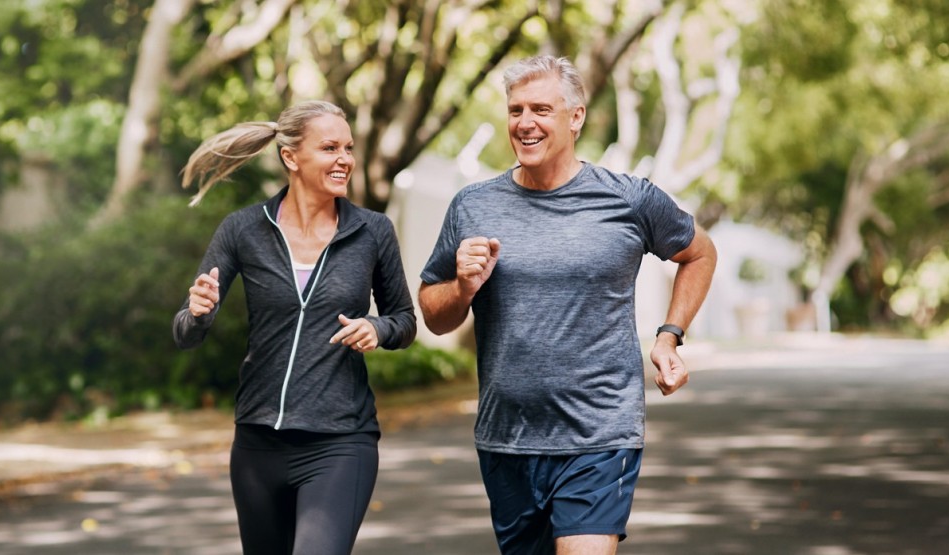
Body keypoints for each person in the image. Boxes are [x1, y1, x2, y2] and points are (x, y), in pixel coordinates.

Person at [417, 55, 718, 554]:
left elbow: (700, 252)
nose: (525, 123)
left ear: (575, 117)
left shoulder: (628, 199)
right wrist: (464, 287)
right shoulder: (473, 205)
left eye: (541, 109)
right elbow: (434, 311)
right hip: (507, 438)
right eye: (516, 110)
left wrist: (670, 336)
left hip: (600, 433)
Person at [172, 100, 418, 554]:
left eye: (347, 148)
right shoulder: (243, 230)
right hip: (257, 444)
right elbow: (186, 332)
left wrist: (377, 329)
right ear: (291, 158)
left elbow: (404, 320)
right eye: (329, 148)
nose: (344, 159)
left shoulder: (372, 231)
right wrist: (198, 312)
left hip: (340, 442)